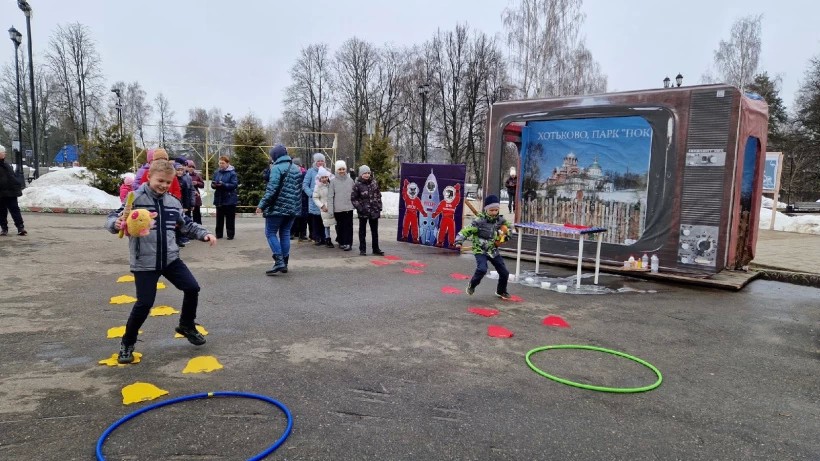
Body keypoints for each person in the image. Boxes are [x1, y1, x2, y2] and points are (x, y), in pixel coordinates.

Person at [105, 159, 217, 364]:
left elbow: (186, 225)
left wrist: (204, 234)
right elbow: (113, 219)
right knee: (144, 303)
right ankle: (127, 343)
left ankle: (186, 325)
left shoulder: (173, 202)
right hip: (144, 261)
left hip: (170, 258)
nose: (164, 185)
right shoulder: (135, 198)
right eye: (160, 181)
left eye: (168, 182)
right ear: (149, 178)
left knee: (192, 288)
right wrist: (117, 223)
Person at [454, 194, 513, 300]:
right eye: (492, 210)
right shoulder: (479, 221)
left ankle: (501, 291)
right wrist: (459, 241)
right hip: (480, 249)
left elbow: (509, 228)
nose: (494, 212)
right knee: (482, 269)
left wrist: (506, 234)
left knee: (504, 272)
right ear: (486, 210)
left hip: (493, 249)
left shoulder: (500, 220)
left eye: (496, 210)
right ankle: (472, 285)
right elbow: (466, 230)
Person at [255, 144, 303, 275]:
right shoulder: (296, 168)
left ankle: (279, 261)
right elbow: (299, 191)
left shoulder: (276, 168)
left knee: (270, 232)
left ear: (275, 155)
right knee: (285, 233)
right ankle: (285, 262)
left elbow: (272, 189)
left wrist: (261, 205)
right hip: (293, 208)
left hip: (277, 208)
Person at [351, 165, 384, 256]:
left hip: (374, 211)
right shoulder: (357, 185)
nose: (367, 175)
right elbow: (354, 199)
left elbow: (378, 195)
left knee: (375, 231)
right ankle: (362, 249)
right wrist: (360, 208)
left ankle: (376, 248)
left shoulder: (374, 183)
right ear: (361, 174)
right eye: (365, 173)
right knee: (362, 231)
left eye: (368, 173)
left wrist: (379, 206)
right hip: (363, 212)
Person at [327, 160, 355, 251]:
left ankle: (348, 243)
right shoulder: (333, 182)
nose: (342, 171)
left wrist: (354, 204)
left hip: (348, 208)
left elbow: (354, 194)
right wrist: (330, 209)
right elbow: (330, 196)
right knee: (340, 226)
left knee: (348, 226)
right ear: (336, 170)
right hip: (338, 209)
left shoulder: (350, 180)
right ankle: (341, 241)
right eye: (340, 169)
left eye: (343, 169)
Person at [0, 144, 25, 236]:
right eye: (3, 152)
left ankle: (20, 227)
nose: (5, 153)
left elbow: (11, 178)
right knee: (2, 211)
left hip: (11, 192)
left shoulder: (6, 165)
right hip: (1, 193)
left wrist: (17, 184)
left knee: (15, 210)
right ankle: (4, 229)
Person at [211, 155, 239, 240]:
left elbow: (234, 185)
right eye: (219, 163)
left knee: (230, 218)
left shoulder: (232, 173)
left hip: (229, 198)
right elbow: (212, 183)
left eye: (222, 163)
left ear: (227, 163)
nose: (221, 165)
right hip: (219, 198)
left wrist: (223, 184)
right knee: (219, 218)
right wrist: (214, 185)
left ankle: (230, 234)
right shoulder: (217, 172)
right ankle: (219, 234)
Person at [303, 152, 327, 245]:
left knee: (324, 220)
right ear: (315, 162)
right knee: (316, 220)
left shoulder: (327, 171)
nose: (320, 163)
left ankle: (324, 237)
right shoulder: (310, 171)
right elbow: (305, 185)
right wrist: (311, 194)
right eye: (318, 161)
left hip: (324, 199)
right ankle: (317, 237)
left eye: (322, 161)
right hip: (314, 200)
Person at [311, 167, 335, 248]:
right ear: (319, 178)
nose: (324, 179)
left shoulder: (330, 184)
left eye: (326, 177)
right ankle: (327, 238)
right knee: (326, 224)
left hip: (332, 206)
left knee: (336, 223)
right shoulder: (317, 187)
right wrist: (321, 205)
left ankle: (340, 237)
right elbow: (315, 198)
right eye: (322, 177)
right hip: (324, 208)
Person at [289, 157, 309, 241]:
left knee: (304, 218)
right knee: (294, 217)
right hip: (294, 197)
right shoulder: (290, 173)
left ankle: (303, 234)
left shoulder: (305, 173)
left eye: (298, 165)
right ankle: (292, 232)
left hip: (304, 197)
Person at [175, 162, 194, 246]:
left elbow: (186, 194)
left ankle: (181, 238)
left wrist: (186, 206)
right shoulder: (172, 180)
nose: (179, 172)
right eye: (178, 170)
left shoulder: (184, 181)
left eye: (181, 170)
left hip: (182, 204)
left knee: (181, 222)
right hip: (174, 204)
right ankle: (176, 239)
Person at [186, 160, 204, 224]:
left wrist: (197, 183)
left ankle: (198, 227)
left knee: (197, 214)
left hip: (196, 197)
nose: (191, 168)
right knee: (187, 214)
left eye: (192, 167)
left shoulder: (197, 175)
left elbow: (202, 185)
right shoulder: (184, 175)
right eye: (189, 167)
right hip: (187, 197)